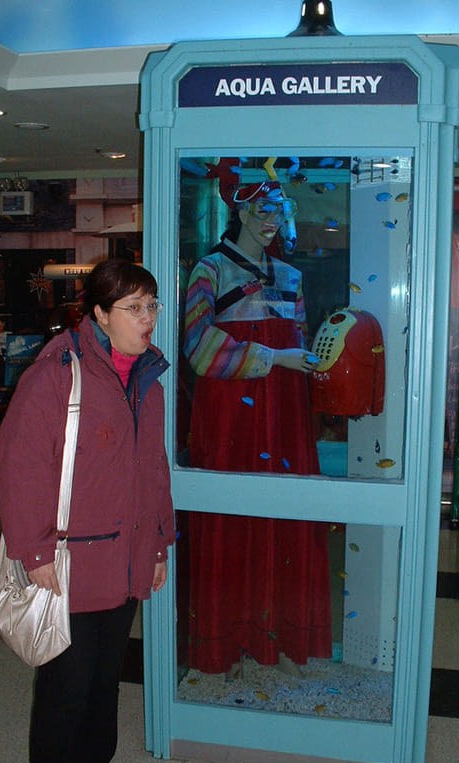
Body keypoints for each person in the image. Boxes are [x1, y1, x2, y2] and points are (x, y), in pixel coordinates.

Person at [0, 259, 175, 763]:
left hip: (126, 558)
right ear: (99, 312)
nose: (148, 319)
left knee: (103, 683)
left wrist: (158, 544)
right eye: (134, 308)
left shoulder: (148, 380)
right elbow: (18, 468)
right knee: (66, 689)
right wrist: (34, 551)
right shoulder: (55, 374)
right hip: (68, 565)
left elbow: (153, 470)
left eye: (152, 306)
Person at [183, 180, 332, 676]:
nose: (272, 222)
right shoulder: (210, 270)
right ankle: (226, 642)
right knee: (229, 522)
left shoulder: (290, 275)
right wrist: (275, 357)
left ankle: (282, 639)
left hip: (285, 415)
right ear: (240, 211)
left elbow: (302, 340)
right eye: (264, 211)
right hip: (231, 416)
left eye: (279, 212)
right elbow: (197, 347)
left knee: (286, 517)